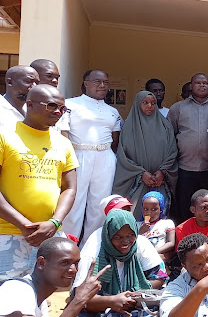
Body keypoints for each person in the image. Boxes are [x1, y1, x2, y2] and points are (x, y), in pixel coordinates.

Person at [0, 85, 77, 281]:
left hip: (49, 236)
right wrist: (24, 225)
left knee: (40, 297)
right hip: (8, 234)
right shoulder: (5, 136)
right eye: (52, 106)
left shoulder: (63, 143)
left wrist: (54, 222)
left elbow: (69, 188)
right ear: (30, 104)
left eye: (63, 108)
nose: (59, 112)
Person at [73, 210, 167, 317]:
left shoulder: (141, 244)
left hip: (137, 304)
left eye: (130, 235)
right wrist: (112, 301)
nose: (125, 241)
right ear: (108, 235)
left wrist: (135, 295)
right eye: (118, 237)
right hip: (101, 309)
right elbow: (79, 297)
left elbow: (159, 277)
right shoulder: (93, 252)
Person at [59, 70, 122, 243]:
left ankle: (90, 248)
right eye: (97, 81)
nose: (102, 85)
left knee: (99, 204)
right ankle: (67, 245)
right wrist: (69, 157)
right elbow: (63, 132)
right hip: (78, 154)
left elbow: (116, 138)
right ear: (86, 83)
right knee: (74, 202)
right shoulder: (71, 104)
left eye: (105, 82)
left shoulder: (113, 111)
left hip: (105, 156)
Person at [0, 237, 106, 317]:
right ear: (41, 263)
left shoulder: (40, 298)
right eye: (65, 263)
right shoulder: (18, 290)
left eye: (76, 263)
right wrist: (78, 300)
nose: (73, 270)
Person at [112, 91, 178, 219]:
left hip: (159, 181)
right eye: (145, 103)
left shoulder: (166, 126)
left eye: (153, 103)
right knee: (136, 214)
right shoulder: (129, 128)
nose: (150, 106)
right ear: (138, 104)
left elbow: (173, 151)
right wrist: (142, 173)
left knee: (159, 213)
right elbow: (124, 155)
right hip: (136, 179)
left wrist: (162, 171)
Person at [167, 73, 208, 225]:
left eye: (205, 83)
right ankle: (185, 241)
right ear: (191, 86)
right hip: (185, 167)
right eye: (198, 83)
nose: (202, 85)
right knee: (185, 207)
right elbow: (169, 135)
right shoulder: (178, 108)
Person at [137, 191, 176, 262]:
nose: (149, 212)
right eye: (146, 209)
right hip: (141, 258)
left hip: (159, 257)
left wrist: (154, 252)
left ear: (161, 209)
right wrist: (140, 232)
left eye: (154, 209)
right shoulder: (137, 225)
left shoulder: (167, 223)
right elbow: (132, 243)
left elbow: (171, 243)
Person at [0, 65, 39, 131]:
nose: (34, 87)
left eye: (37, 83)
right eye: (29, 81)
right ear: (10, 82)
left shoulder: (34, 110)